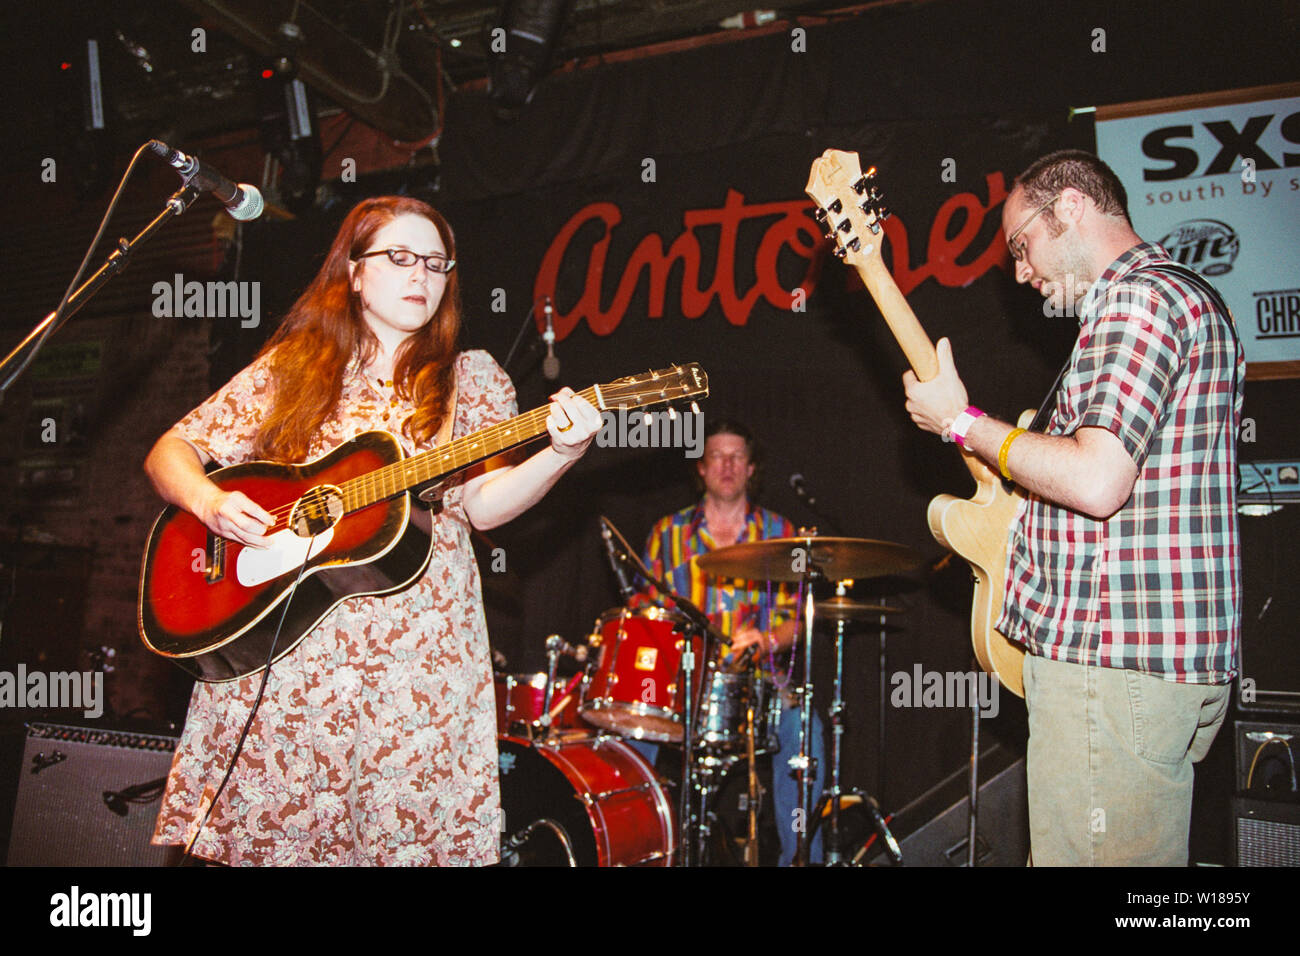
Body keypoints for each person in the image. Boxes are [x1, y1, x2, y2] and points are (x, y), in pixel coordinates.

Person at [144, 195, 601, 865]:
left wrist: (561, 454)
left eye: (436, 264)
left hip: (420, 651)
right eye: (399, 258)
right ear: (354, 273)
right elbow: (169, 453)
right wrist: (211, 504)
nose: (422, 276)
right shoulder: (296, 370)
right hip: (294, 642)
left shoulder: (468, 381)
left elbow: (481, 505)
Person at [902, 150, 1243, 865]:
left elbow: (1095, 480)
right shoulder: (1187, 298)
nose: (1021, 273)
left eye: (1022, 245)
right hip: (1151, 668)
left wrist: (960, 424)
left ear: (1069, 209)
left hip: (1112, 663)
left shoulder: (1136, 300)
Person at [635, 419, 826, 866]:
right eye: (716, 456)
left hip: (759, 685)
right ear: (701, 467)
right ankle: (638, 851)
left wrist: (766, 640)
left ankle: (801, 859)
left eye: (737, 456)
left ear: (751, 467)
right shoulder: (669, 534)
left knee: (805, 730)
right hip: (682, 684)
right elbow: (647, 615)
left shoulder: (780, 531)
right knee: (631, 730)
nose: (727, 465)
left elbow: (798, 621)